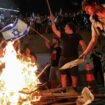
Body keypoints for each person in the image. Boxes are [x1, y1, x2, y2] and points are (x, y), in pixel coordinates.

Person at [50, 15, 86, 90]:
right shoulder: (63, 35)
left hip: (73, 58)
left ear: (70, 28)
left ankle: (74, 89)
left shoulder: (77, 36)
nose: (64, 28)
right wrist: (52, 20)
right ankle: (64, 90)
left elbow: (83, 45)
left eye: (66, 27)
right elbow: (54, 30)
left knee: (73, 75)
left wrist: (84, 54)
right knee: (63, 75)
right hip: (63, 58)